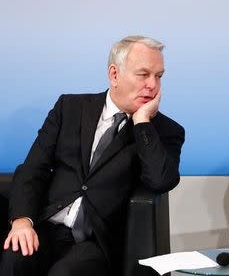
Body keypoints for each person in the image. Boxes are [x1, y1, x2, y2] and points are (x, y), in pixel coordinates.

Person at [0, 35, 185, 276]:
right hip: (46, 226)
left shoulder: (165, 131)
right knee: (16, 258)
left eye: (158, 76)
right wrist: (22, 220)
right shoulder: (70, 108)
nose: (152, 85)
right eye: (143, 74)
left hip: (96, 241)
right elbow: (33, 168)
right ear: (114, 74)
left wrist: (142, 124)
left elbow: (161, 181)